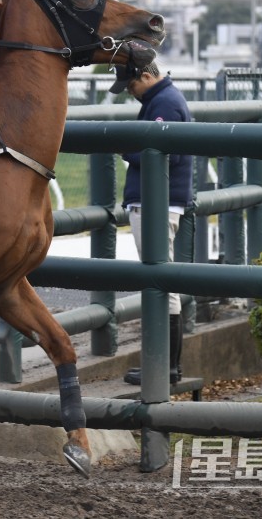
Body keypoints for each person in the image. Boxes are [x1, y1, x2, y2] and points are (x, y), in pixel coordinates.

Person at [111, 60, 193, 385]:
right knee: (161, 282)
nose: (131, 92)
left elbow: (162, 153)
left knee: (160, 284)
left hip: (157, 204)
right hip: (155, 203)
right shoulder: (160, 100)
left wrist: (127, 148)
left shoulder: (165, 102)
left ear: (146, 75)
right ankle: (165, 367)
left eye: (131, 85)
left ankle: (165, 369)